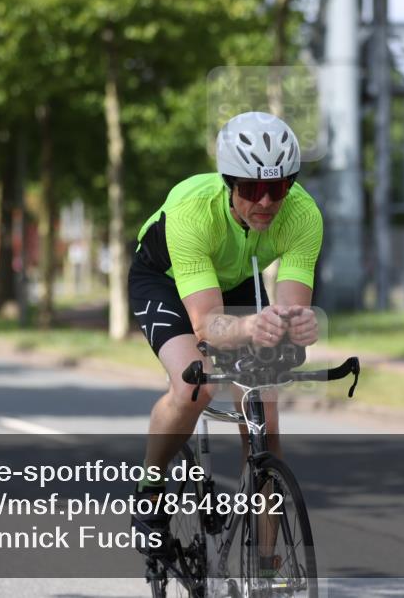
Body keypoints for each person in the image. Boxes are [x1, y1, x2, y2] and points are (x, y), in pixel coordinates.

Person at [128, 111, 322, 545]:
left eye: (278, 188)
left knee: (264, 422)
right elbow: (206, 326)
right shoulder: (192, 212)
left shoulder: (304, 215)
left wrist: (295, 325)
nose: (267, 203)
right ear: (230, 183)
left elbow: (290, 311)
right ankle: (150, 490)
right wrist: (252, 326)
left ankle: (268, 575)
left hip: (235, 278)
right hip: (163, 280)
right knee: (193, 387)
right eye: (253, 190)